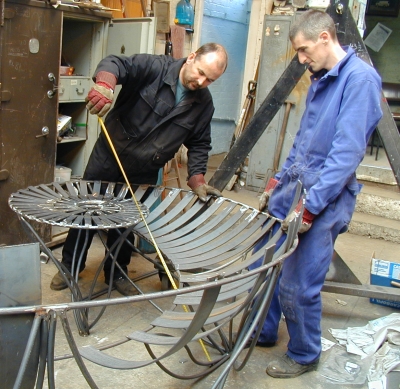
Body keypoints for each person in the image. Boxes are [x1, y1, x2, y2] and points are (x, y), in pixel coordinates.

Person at [251, 10, 382, 378]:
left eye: (304, 50)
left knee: (297, 281)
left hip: (326, 194)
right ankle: (260, 332)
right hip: (297, 184)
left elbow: (345, 155)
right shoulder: (322, 77)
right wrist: (277, 181)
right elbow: (304, 140)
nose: (301, 59)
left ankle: (305, 353)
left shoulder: (360, 81)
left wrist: (309, 209)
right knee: (263, 262)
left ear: (325, 37)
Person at [50, 43, 228, 296]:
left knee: (126, 222)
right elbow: (116, 62)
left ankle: (117, 274)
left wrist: (197, 178)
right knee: (87, 211)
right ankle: (70, 266)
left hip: (145, 169)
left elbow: (200, 142)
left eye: (209, 80)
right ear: (191, 57)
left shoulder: (203, 104)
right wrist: (105, 84)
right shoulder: (155, 68)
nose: (201, 81)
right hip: (109, 156)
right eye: (200, 72)